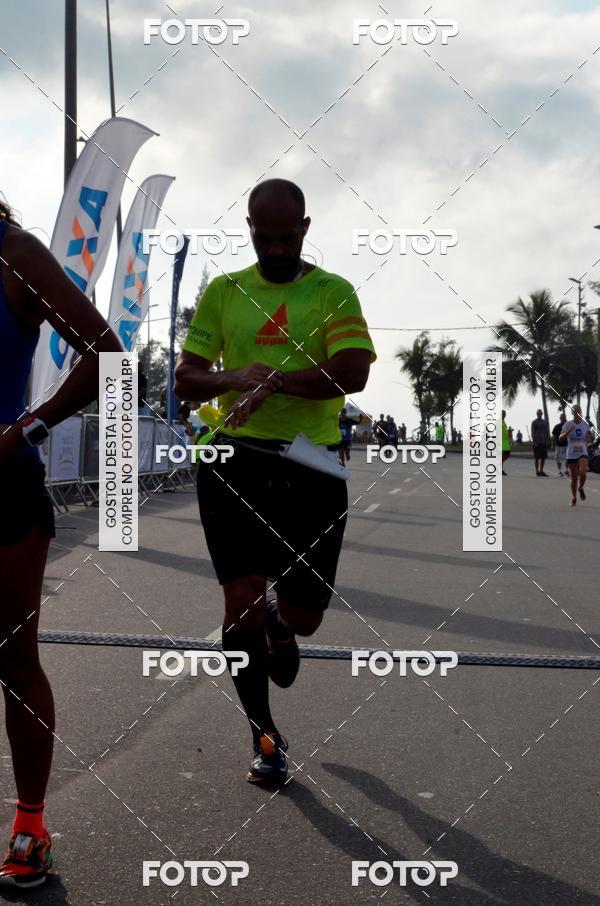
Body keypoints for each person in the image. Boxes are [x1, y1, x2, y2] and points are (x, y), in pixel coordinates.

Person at [174, 178, 375, 785]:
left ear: (305, 229)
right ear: (251, 233)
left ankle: (283, 624)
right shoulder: (225, 291)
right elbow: (187, 378)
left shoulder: (332, 292)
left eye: (287, 237)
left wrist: (278, 383)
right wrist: (234, 378)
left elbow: (353, 372)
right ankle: (264, 738)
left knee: (305, 615)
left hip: (310, 464)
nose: (277, 248)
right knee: (239, 607)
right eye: (266, 239)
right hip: (233, 460)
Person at [0, 199, 120, 886]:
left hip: (4, 489)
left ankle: (31, 827)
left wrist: (25, 430)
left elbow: (109, 354)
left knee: (14, 662)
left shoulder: (15, 253)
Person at [560, 404, 593, 506]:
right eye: (575, 411)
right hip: (571, 453)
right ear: (572, 413)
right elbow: (560, 438)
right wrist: (568, 432)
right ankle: (574, 497)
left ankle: (581, 487)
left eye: (579, 411)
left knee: (583, 472)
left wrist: (589, 437)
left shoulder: (585, 424)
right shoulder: (568, 424)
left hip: (582, 452)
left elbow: (589, 439)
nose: (577, 413)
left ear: (581, 412)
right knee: (574, 478)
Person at [531, 408, 549, 476]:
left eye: (540, 413)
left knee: (543, 458)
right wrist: (534, 442)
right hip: (537, 442)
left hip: (544, 442)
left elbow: (547, 432)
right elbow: (533, 432)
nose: (539, 414)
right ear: (537, 414)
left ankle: (541, 470)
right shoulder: (534, 422)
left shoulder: (545, 422)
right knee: (537, 458)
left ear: (542, 414)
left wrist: (547, 440)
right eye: (538, 413)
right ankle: (537, 471)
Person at [552, 412, 568, 477]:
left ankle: (567, 470)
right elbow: (553, 436)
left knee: (568, 458)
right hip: (558, 445)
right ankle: (560, 471)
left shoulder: (568, 426)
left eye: (563, 418)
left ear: (565, 418)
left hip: (566, 445)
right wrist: (552, 444)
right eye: (561, 418)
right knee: (558, 459)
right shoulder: (557, 426)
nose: (562, 419)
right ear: (560, 419)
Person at [501, 410, 511, 476]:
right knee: (502, 455)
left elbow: (504, 431)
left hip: (505, 441)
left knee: (507, 454)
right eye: (503, 414)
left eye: (505, 414)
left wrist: (509, 431)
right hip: (500, 441)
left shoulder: (504, 421)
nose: (504, 415)